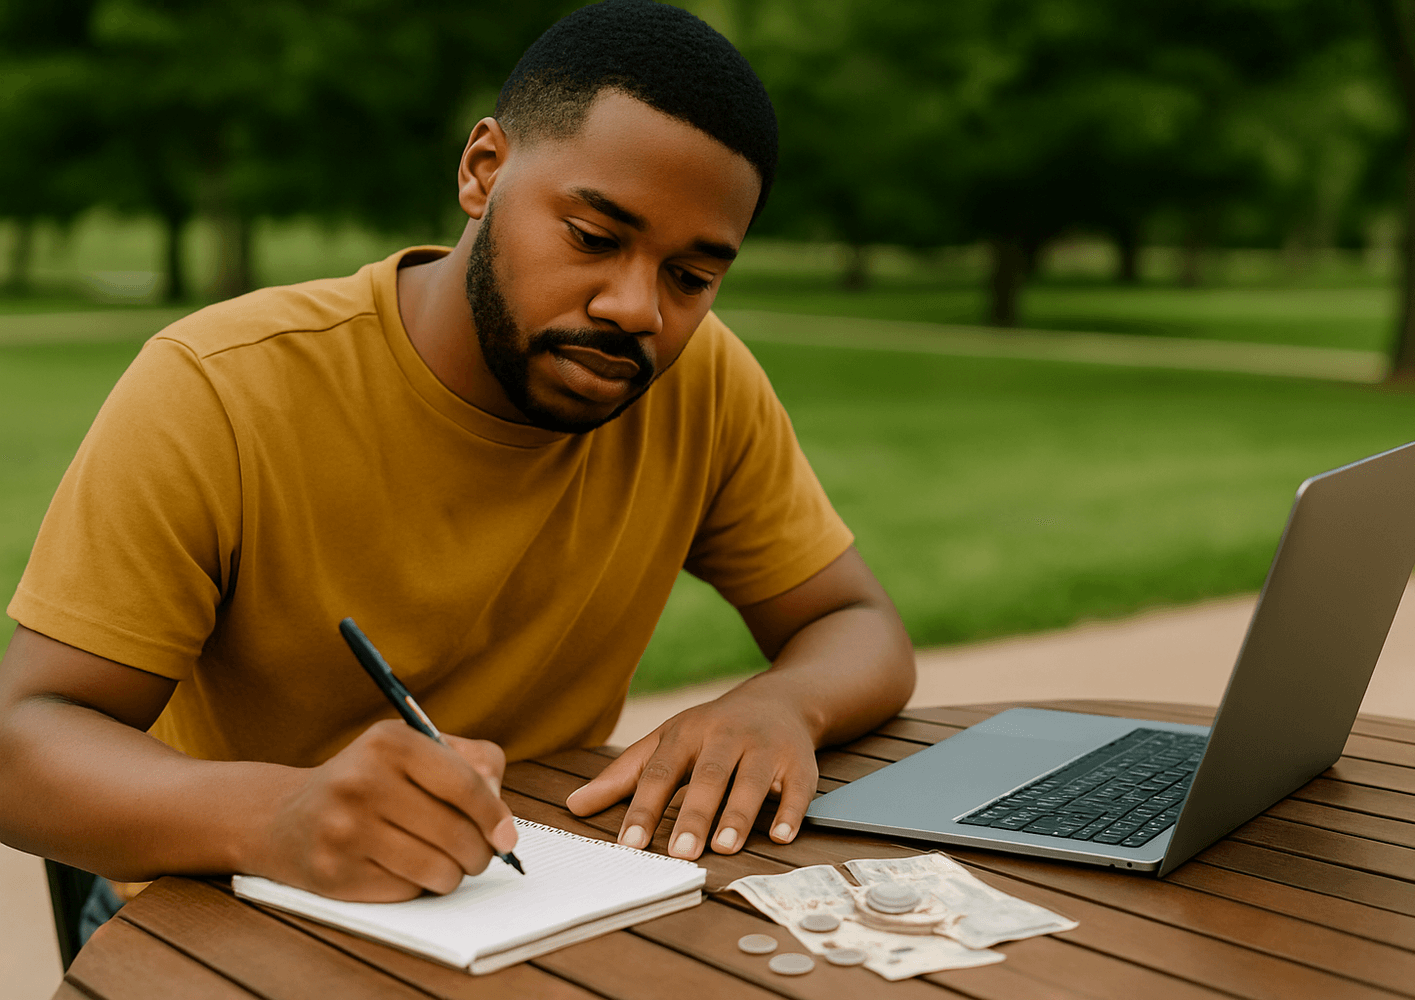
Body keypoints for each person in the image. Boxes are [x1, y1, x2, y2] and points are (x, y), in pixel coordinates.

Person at [0, 0, 914, 918]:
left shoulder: (703, 385)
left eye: (692, 276)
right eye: (595, 238)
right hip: (223, 902)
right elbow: (23, 741)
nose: (637, 308)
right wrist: (279, 814)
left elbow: (856, 622)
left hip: (532, 896)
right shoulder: (222, 388)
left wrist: (785, 705)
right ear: (485, 171)